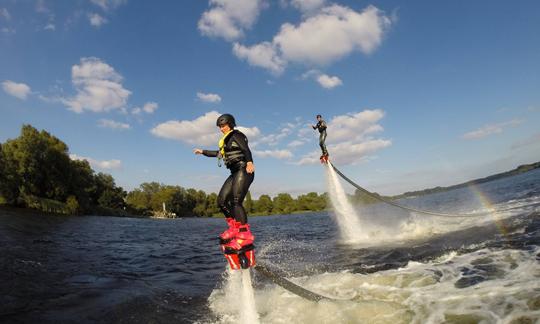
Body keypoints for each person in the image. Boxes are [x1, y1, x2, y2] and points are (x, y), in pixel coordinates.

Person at [194, 113, 255, 257]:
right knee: (221, 201)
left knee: (236, 201)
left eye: (223, 125)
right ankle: (234, 228)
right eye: (220, 127)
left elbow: (246, 149)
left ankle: (244, 235)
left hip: (243, 169)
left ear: (230, 124)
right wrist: (202, 151)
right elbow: (218, 154)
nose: (221, 128)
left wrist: (250, 162)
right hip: (234, 173)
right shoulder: (226, 142)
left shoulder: (236, 135)